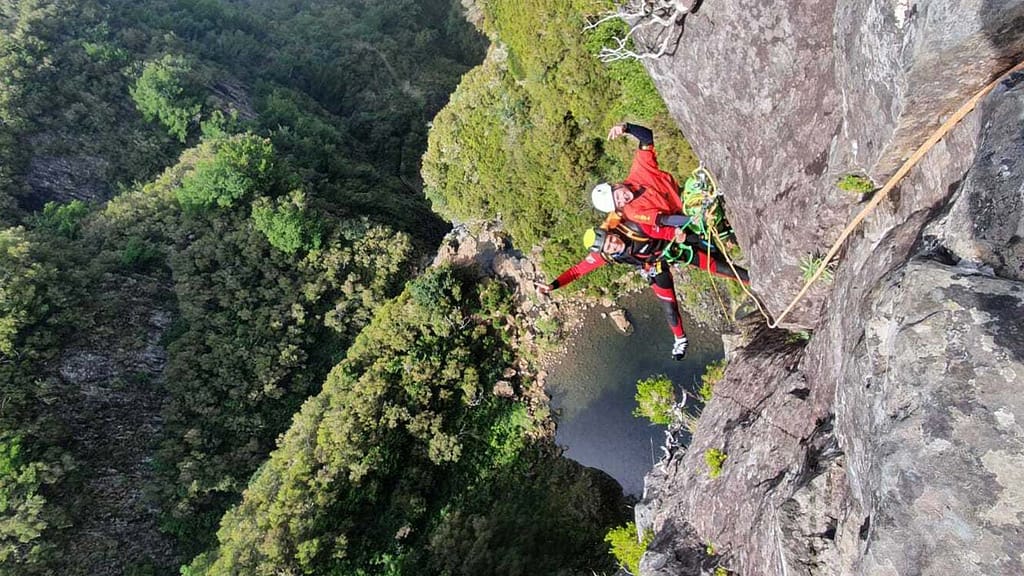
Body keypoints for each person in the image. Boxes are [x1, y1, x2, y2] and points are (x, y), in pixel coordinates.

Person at [537, 223, 749, 360]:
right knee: (669, 307)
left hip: (673, 249)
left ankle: (751, 279)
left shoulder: (633, 228)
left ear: (611, 232)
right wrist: (552, 286)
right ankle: (680, 339)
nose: (613, 244)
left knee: (720, 267)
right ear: (602, 252)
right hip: (654, 266)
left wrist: (677, 235)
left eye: (611, 238)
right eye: (608, 246)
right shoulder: (603, 256)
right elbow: (576, 271)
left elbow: (661, 226)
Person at [591, 122, 693, 242]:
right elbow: (663, 219)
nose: (623, 200)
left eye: (618, 196)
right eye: (619, 203)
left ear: (616, 185)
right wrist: (692, 220)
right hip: (680, 216)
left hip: (686, 193)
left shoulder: (639, 171)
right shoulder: (632, 212)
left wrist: (626, 128)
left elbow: (647, 139)